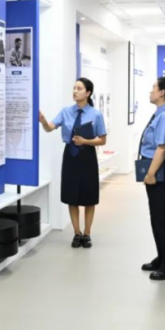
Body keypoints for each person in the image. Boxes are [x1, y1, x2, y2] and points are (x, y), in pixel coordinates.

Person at [38, 78, 107, 249]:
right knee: (72, 196)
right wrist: (43, 121)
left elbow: (102, 140)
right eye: (74, 88)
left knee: (89, 197)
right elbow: (49, 128)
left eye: (79, 88)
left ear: (88, 93)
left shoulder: (96, 114)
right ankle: (77, 233)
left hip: (88, 156)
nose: (75, 91)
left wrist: (85, 141)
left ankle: (87, 234)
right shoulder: (66, 112)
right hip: (70, 156)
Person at [139, 77, 165, 281]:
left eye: (153, 88)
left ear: (162, 92)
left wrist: (150, 174)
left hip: (161, 170)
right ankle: (163, 258)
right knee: (157, 217)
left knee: (164, 219)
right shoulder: (162, 113)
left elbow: (162, 148)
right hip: (158, 168)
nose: (151, 91)